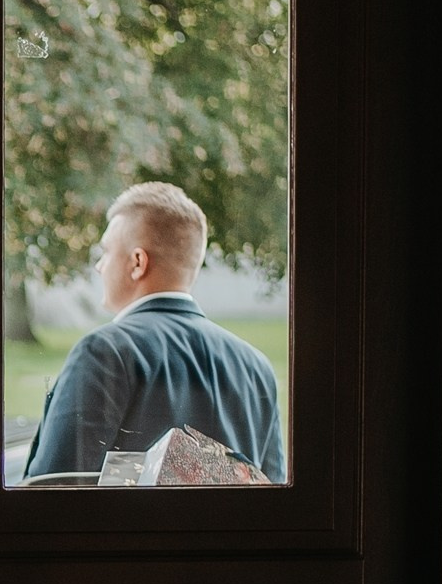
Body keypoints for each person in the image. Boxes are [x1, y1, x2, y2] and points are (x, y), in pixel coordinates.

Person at [21, 181, 286, 484]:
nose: (99, 266)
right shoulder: (256, 366)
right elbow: (272, 489)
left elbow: (51, 490)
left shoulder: (104, 352)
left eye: (106, 251)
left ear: (137, 262)